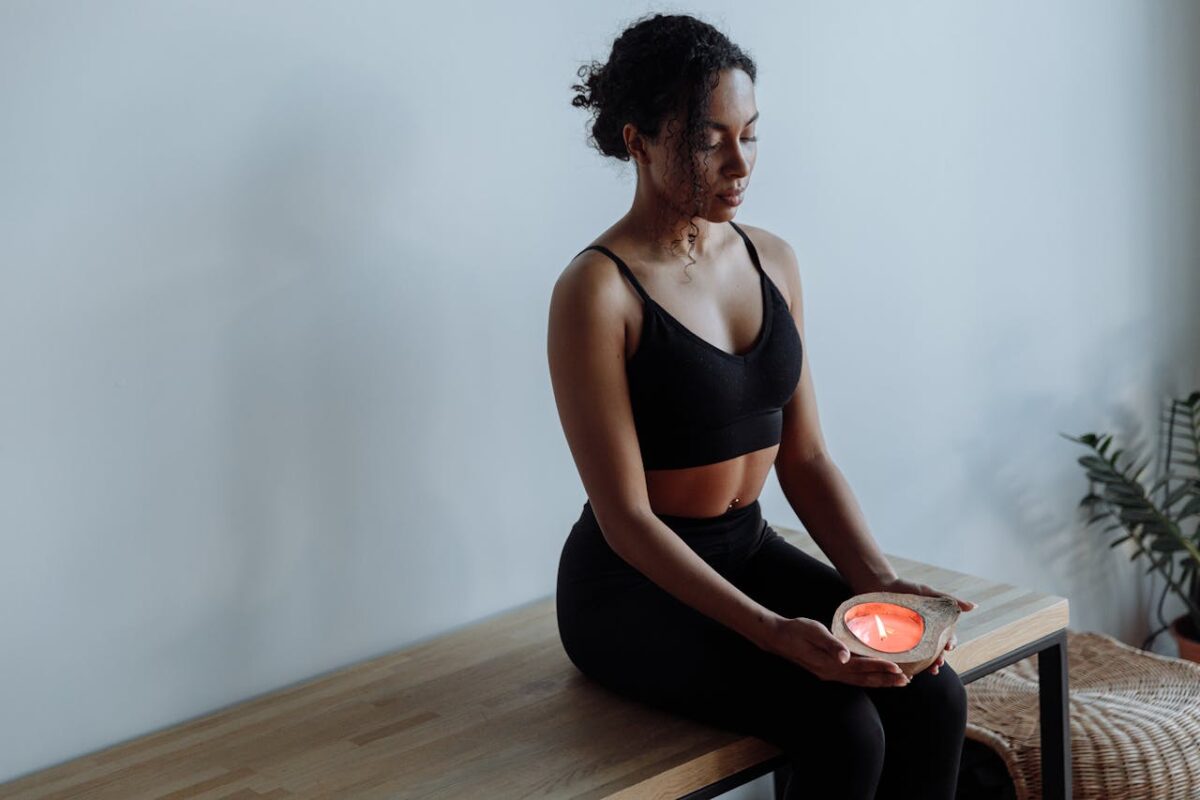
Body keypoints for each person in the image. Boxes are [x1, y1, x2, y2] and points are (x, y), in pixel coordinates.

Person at [546, 12, 977, 800]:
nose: (739, 163)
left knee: (935, 693)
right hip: (631, 590)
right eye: (710, 139)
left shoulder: (772, 259)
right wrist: (774, 634)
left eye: (751, 134)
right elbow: (627, 523)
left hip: (747, 548)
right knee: (842, 725)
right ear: (638, 140)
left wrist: (877, 583)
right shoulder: (597, 291)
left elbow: (805, 457)